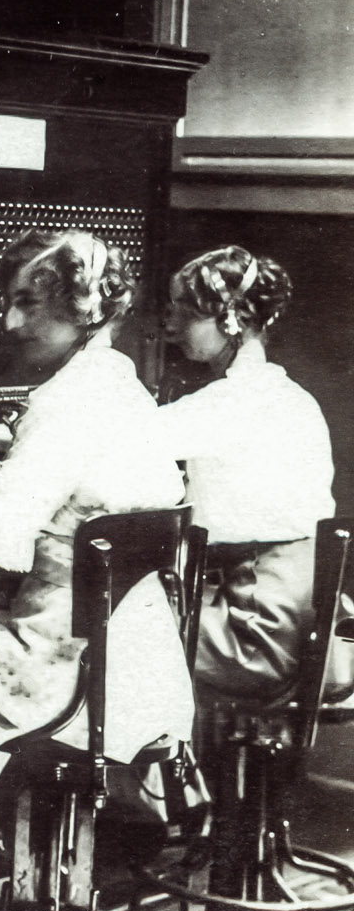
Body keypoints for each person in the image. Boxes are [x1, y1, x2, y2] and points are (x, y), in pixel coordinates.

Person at [0, 228, 192, 861]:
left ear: (81, 311)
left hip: (63, 666)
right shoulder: (121, 383)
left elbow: (0, 545)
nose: (11, 321)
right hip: (135, 655)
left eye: (29, 304)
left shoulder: (67, 402)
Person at [156, 245, 343, 704]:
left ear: (228, 320)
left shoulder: (235, 402)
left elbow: (110, 440)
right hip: (302, 629)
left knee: (109, 632)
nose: (170, 325)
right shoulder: (289, 396)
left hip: (256, 635)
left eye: (185, 312)